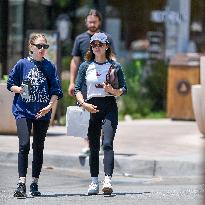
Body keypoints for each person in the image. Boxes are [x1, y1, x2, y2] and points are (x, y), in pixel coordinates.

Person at [7, 33, 63, 198]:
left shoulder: (49, 66)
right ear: (31, 47)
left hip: (42, 112)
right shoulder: (22, 64)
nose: (42, 50)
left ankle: (34, 183)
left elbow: (56, 91)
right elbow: (10, 84)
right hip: (23, 110)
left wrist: (49, 107)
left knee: (38, 148)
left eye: (45, 47)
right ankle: (21, 183)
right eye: (39, 46)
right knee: (24, 145)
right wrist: (20, 89)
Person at [75, 32, 127, 195]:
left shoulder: (115, 66)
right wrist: (84, 104)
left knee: (108, 143)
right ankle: (94, 181)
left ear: (106, 46)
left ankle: (108, 180)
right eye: (94, 44)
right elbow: (77, 89)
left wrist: (113, 90)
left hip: (109, 106)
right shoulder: (85, 66)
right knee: (94, 146)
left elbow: (123, 89)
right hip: (91, 106)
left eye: (100, 44)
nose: (97, 47)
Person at [68, 9, 116, 155]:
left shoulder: (107, 37)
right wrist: (71, 82)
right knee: (85, 113)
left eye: (94, 22)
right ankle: (87, 144)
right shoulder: (80, 39)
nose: (92, 24)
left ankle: (101, 141)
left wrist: (114, 75)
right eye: (90, 22)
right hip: (84, 83)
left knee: (101, 112)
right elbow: (75, 61)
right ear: (86, 22)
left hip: (102, 83)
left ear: (99, 22)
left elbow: (113, 57)